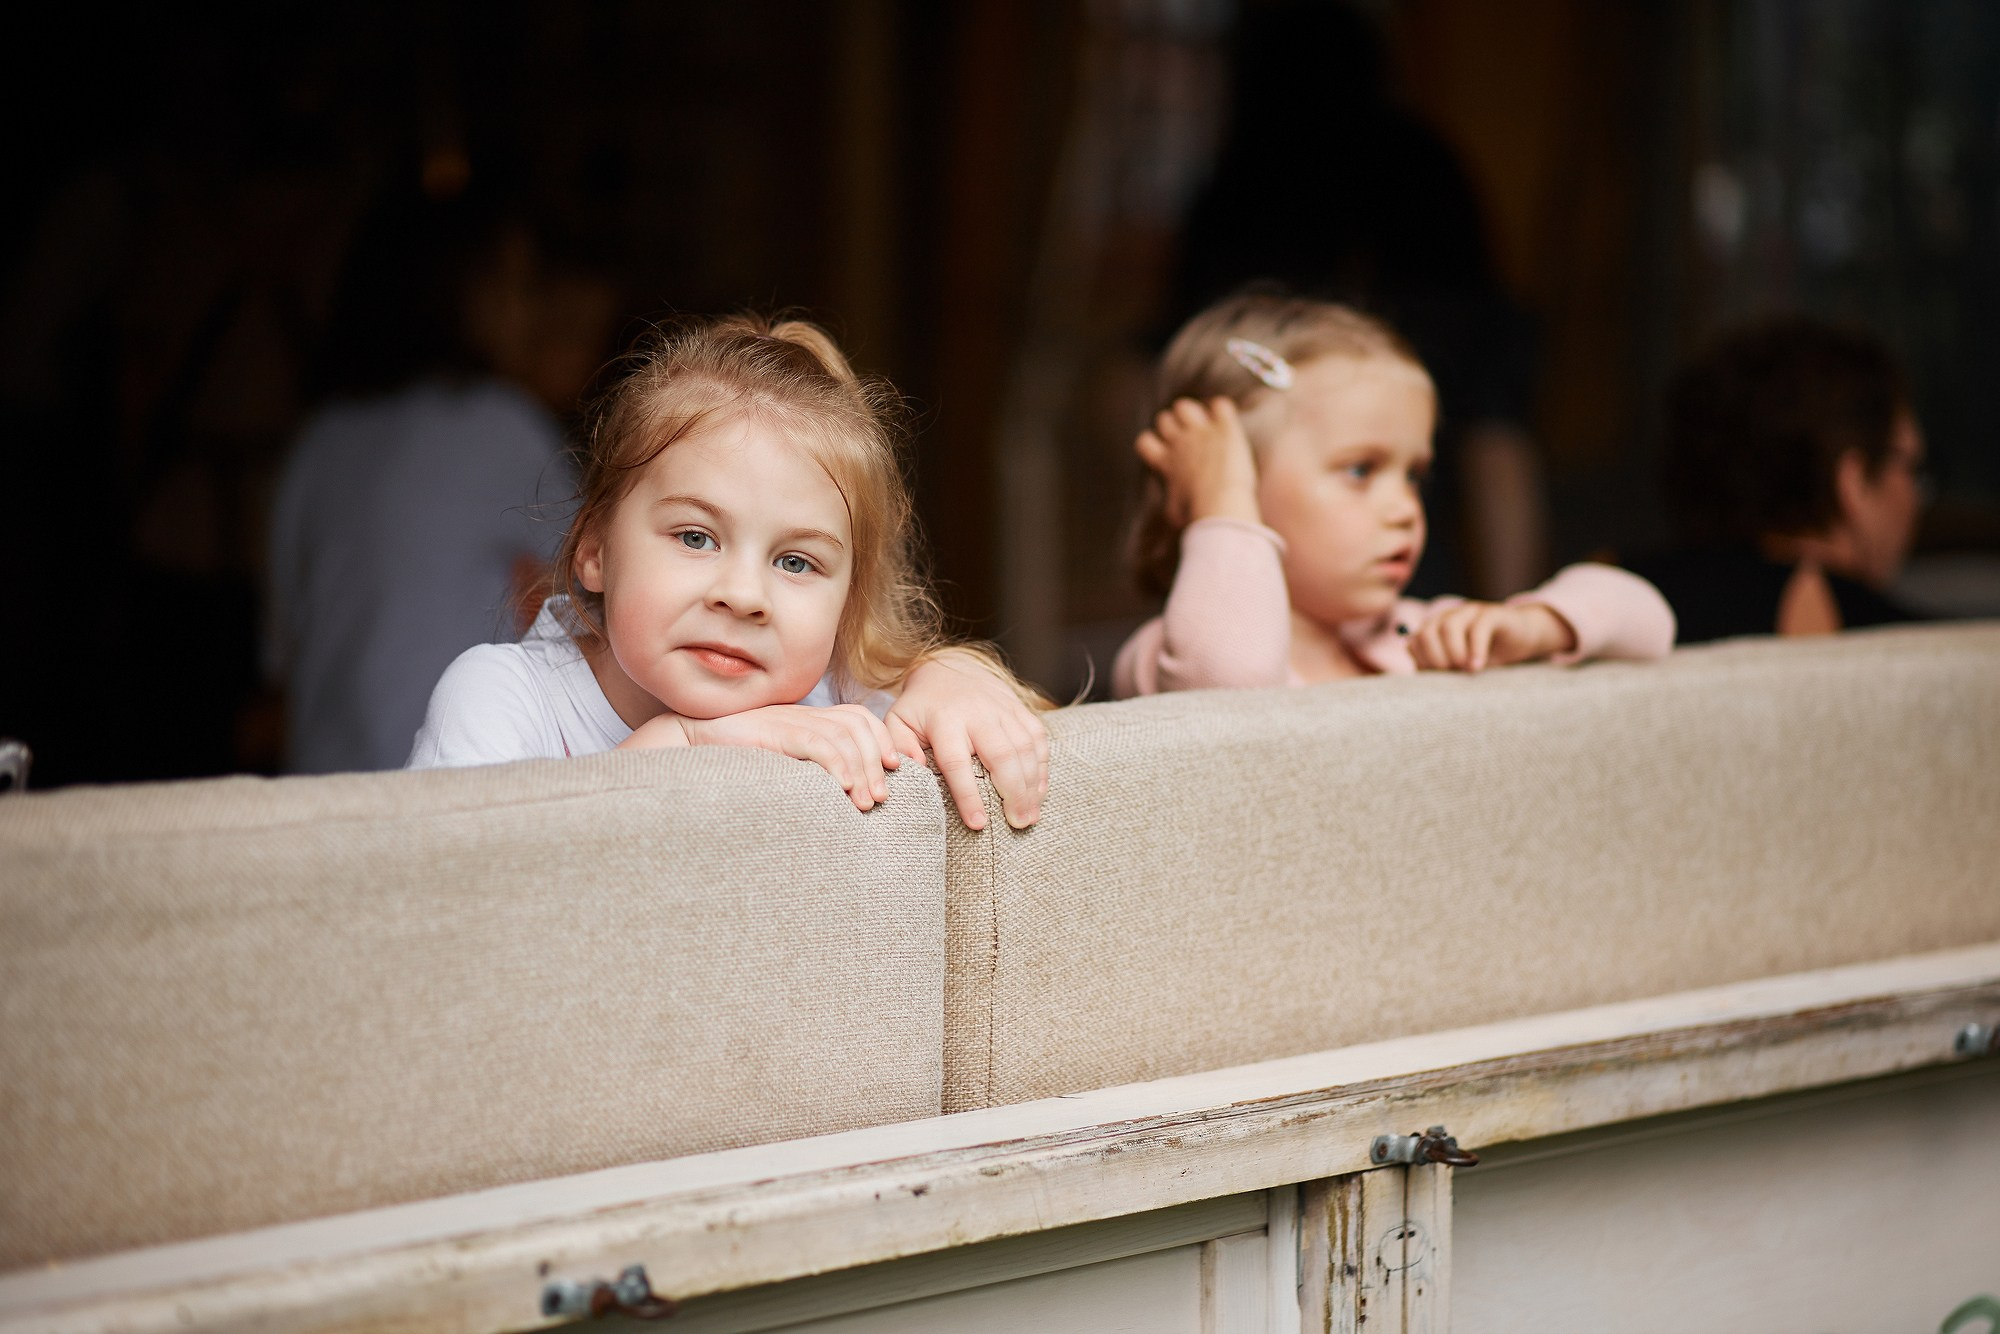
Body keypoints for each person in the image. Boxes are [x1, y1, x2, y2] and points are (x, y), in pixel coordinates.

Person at [409, 314, 1051, 831]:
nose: (745, 596)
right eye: (696, 537)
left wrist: (951, 678)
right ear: (594, 549)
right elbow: (465, 911)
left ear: (845, 602)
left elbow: (987, 719)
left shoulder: (837, 701)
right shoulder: (502, 699)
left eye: (796, 562)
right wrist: (684, 745)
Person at [1114, 294, 1672, 696]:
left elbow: (1650, 621)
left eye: (1415, 476)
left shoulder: (1420, 637)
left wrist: (1533, 627)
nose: (1406, 509)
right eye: (1360, 470)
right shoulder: (1167, 654)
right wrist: (1221, 500)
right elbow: (1234, 685)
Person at [267, 182, 618, 775]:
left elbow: (282, 651)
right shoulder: (499, 426)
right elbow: (611, 583)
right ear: (456, 294)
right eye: (515, 284)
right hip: (452, 775)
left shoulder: (319, 440)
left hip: (321, 782)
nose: (529, 311)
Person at [1623, 317, 1928, 644]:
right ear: (1853, 483)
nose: (1917, 497)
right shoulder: (1902, 643)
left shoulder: (1610, 598)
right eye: (1909, 468)